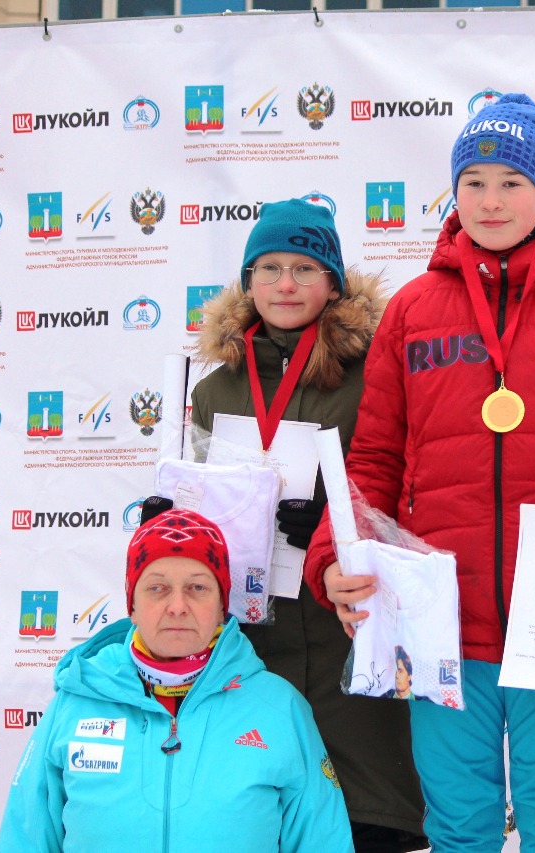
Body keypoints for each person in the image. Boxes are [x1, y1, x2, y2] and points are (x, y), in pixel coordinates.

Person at [303, 92, 535, 851]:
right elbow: (372, 461)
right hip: (440, 620)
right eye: (473, 180)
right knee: (458, 824)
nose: (490, 199)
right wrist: (331, 559)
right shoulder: (413, 313)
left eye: (511, 181)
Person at [188, 199, 427, 852]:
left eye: (302, 267)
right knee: (259, 816)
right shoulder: (215, 390)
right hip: (253, 639)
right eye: (268, 268)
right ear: (247, 282)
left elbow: (406, 484)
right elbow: (196, 514)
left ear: (332, 282)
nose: (285, 284)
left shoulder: (374, 373)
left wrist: (333, 524)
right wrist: (179, 514)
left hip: (347, 629)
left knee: (366, 815)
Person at [0, 509, 354, 852]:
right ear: (131, 603)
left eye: (197, 588)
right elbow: (26, 838)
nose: (178, 606)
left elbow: (323, 839)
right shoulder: (76, 701)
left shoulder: (278, 707)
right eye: (157, 588)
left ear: (221, 603)